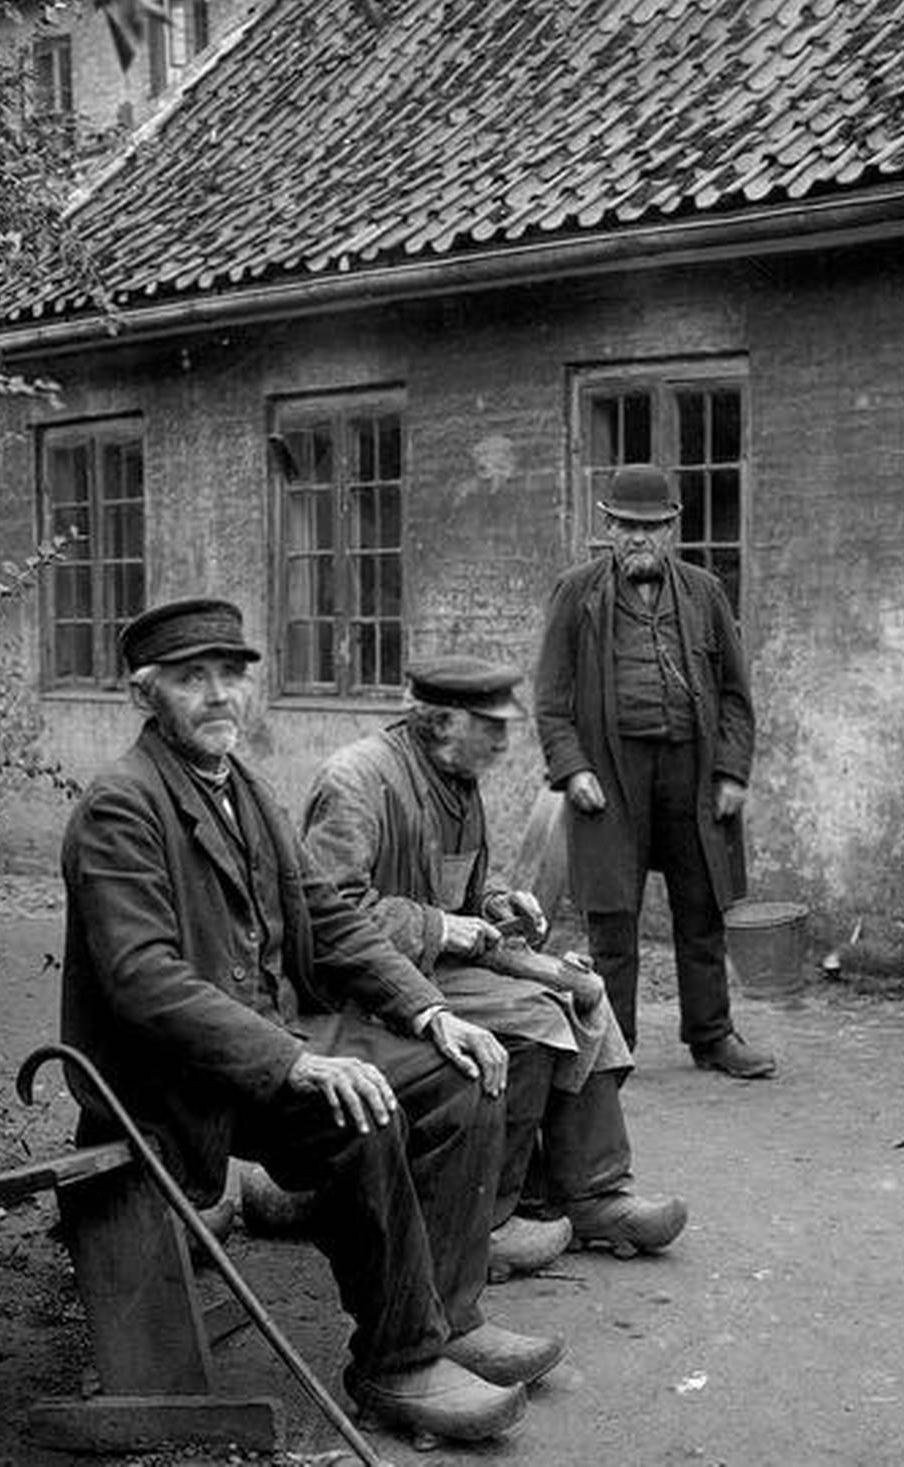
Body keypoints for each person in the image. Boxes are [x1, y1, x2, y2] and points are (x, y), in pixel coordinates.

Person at [57, 598, 563, 1444]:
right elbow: (145, 981)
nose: (219, 696)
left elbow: (327, 916)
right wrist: (293, 1061)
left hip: (274, 1043)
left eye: (230, 677)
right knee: (362, 1109)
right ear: (147, 696)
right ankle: (396, 1363)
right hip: (179, 1077)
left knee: (466, 1072)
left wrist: (431, 1009)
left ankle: (448, 1315)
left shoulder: (242, 789)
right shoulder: (121, 806)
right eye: (192, 679)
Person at [300, 655, 690, 1268]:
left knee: (578, 991)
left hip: (430, 966)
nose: (506, 743)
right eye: (493, 727)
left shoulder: (457, 778)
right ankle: (486, 1224)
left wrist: (498, 901)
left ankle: (592, 1191)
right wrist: (440, 926)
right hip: (362, 987)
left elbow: (458, 892)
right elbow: (328, 917)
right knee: (531, 1020)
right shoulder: (356, 779)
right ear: (445, 721)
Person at [534, 464, 774, 1078]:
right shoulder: (577, 592)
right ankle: (614, 1046)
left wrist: (730, 772)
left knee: (701, 908)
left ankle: (712, 1035)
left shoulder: (703, 592)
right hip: (611, 774)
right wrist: (572, 768)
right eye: (626, 526)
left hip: (691, 772)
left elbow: (735, 695)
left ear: (673, 530)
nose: (639, 538)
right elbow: (552, 698)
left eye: (652, 527)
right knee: (613, 917)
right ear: (607, 528)